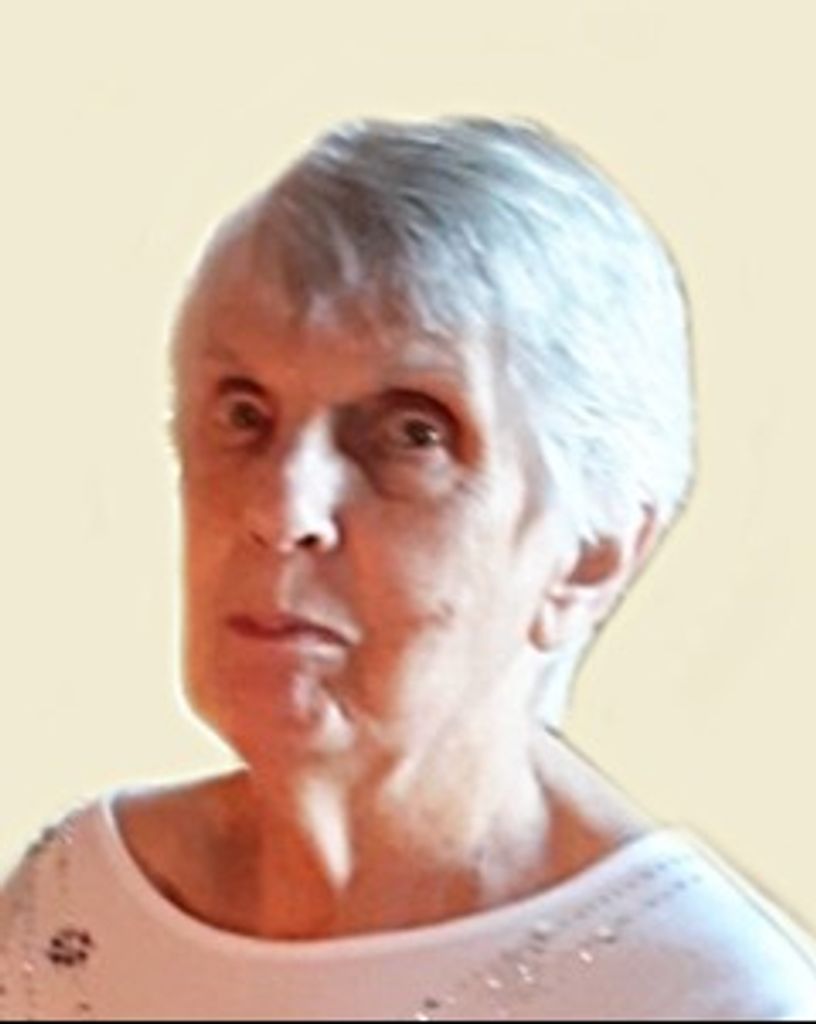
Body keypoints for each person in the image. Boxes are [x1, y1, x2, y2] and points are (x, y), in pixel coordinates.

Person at [2, 115, 815, 1022]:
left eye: (412, 433)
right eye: (244, 415)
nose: (282, 509)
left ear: (588, 560)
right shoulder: (75, 908)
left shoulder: (707, 1000)